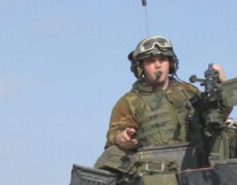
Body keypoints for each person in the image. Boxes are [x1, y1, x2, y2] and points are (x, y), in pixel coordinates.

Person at [95, 35, 225, 172]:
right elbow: (113, 136)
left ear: (171, 63)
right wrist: (122, 138)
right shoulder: (129, 102)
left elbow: (216, 119)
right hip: (153, 173)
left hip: (195, 166)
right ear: (140, 67)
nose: (158, 65)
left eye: (162, 59)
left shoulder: (188, 92)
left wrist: (222, 86)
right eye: (151, 61)